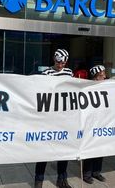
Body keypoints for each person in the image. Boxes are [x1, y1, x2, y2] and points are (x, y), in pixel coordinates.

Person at [35, 49, 73, 188]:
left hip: (64, 117)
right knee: (44, 151)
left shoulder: (69, 73)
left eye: (63, 62)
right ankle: (39, 180)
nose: (60, 65)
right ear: (53, 59)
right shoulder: (46, 73)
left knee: (64, 149)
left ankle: (62, 179)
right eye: (58, 62)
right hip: (49, 117)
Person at [82, 65, 107, 184]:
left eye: (104, 74)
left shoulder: (107, 85)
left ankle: (97, 172)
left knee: (100, 147)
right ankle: (87, 173)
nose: (104, 76)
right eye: (101, 75)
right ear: (96, 77)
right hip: (90, 122)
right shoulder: (87, 87)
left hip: (103, 121)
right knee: (90, 147)